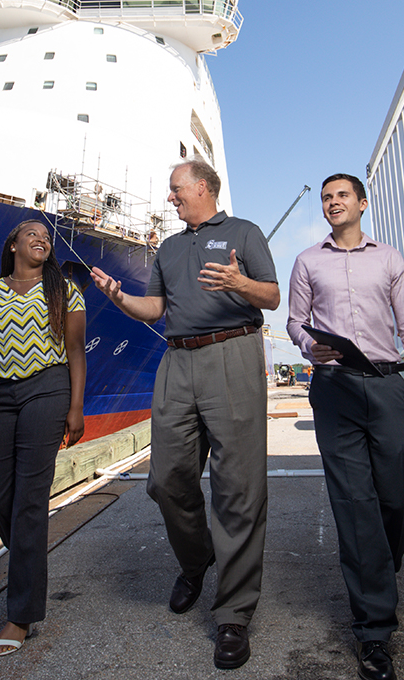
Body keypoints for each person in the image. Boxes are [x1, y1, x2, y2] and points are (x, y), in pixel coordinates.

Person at [91, 157, 279, 669]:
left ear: (202, 187)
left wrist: (240, 284)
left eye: (176, 189)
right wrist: (118, 297)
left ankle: (234, 615)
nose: (170, 197)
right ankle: (198, 560)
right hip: (177, 360)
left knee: (239, 487)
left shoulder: (245, 231)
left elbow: (273, 295)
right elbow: (156, 309)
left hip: (232, 354)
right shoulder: (169, 248)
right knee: (166, 479)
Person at [287, 174, 404, 680]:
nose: (333, 203)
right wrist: (307, 346)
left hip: (385, 386)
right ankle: (374, 629)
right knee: (354, 505)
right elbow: (295, 321)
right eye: (326, 198)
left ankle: (380, 570)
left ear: (361, 203)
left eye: (342, 196)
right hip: (334, 389)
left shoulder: (389, 259)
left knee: (395, 493)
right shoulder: (308, 261)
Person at [0, 219, 86, 657]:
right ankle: (30, 561)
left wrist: (75, 407)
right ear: (13, 245)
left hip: (48, 390)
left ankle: (20, 615)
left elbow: (75, 353)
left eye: (46, 237)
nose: (41, 239)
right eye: (31, 234)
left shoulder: (64, 291)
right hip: (1, 396)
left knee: (30, 499)